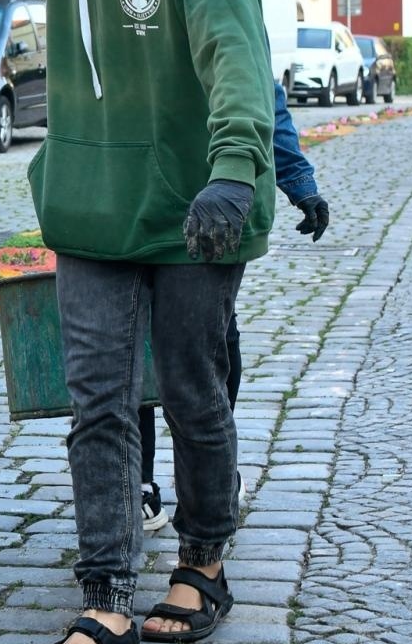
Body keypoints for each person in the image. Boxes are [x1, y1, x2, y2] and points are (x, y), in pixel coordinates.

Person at [8, 0, 276, 644]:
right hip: (94, 209)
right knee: (98, 404)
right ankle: (108, 601)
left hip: (195, 204)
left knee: (195, 390)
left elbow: (233, 49)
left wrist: (237, 169)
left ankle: (203, 562)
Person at [140, 79, 329, 530]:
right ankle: (138, 480)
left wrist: (301, 184)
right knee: (127, 334)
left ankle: (214, 471)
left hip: (211, 201)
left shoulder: (227, 19)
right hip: (135, 197)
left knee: (215, 339)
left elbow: (265, 103)